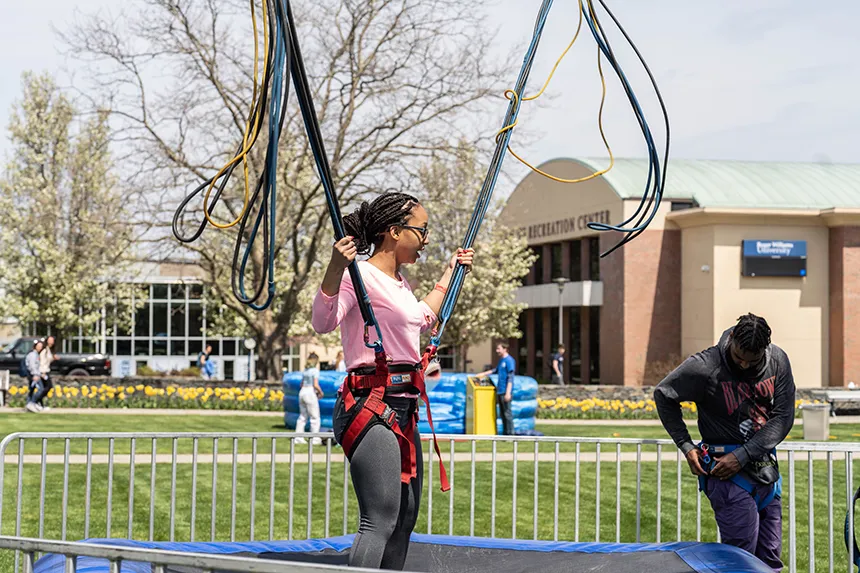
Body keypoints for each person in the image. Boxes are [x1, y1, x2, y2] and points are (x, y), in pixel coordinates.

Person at [312, 192, 473, 570]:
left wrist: (452, 273)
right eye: (422, 230)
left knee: (405, 519)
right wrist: (336, 267)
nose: (427, 238)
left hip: (403, 405)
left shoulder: (399, 283)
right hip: (370, 405)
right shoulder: (359, 276)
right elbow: (323, 322)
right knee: (380, 517)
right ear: (395, 232)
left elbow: (420, 318)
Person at [654, 313, 795, 572]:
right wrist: (686, 445)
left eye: (751, 361)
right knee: (741, 560)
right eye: (738, 357)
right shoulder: (706, 365)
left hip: (765, 470)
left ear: (764, 349)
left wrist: (742, 455)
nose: (742, 365)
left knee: (770, 560)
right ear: (731, 338)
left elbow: (784, 417)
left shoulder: (777, 360)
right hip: (726, 475)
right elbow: (664, 395)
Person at [476, 342, 516, 436]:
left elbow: (511, 377)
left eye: (499, 349)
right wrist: (483, 374)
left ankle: (511, 434)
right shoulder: (501, 360)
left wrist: (508, 393)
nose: (497, 351)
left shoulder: (509, 361)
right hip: (500, 390)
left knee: (507, 414)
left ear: (505, 349)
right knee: (502, 414)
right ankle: (506, 434)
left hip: (505, 391)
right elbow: (495, 370)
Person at [295, 352, 323, 445]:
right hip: (310, 392)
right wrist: (320, 392)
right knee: (315, 417)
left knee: (302, 416)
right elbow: (315, 384)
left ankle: (298, 437)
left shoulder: (305, 370)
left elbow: (301, 384)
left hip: (302, 392)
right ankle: (315, 439)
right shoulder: (315, 371)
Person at [37, 335, 58, 411]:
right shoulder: (44, 350)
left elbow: (48, 360)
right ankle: (37, 400)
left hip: (46, 370)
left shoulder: (49, 350)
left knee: (45, 388)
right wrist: (43, 373)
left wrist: (54, 358)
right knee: (48, 387)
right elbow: (42, 362)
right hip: (44, 371)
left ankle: (41, 404)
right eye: (50, 340)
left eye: (52, 340)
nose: (51, 342)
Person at [25, 339, 46, 413]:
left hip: (36, 374)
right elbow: (32, 366)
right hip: (34, 375)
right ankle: (32, 403)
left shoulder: (36, 354)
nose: (40, 347)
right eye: (39, 346)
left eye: (41, 346)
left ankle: (29, 404)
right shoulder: (33, 355)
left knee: (32, 390)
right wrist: (35, 375)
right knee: (40, 389)